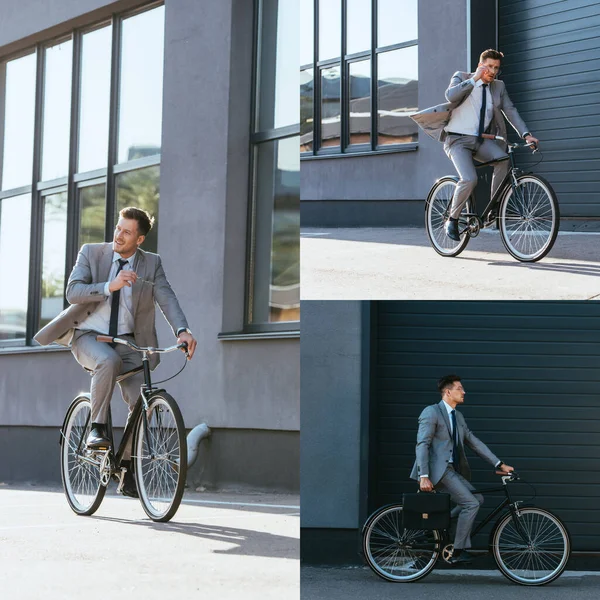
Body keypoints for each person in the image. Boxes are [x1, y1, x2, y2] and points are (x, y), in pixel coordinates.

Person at [35, 206, 197, 497]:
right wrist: (111, 285)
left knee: (141, 400)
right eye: (118, 229)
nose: (119, 235)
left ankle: (125, 466)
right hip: (89, 335)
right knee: (107, 361)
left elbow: (167, 298)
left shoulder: (152, 264)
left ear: (140, 239)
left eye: (127, 232)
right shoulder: (92, 253)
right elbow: (73, 292)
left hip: (128, 341)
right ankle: (97, 427)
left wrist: (182, 330)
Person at [411, 49, 539, 241]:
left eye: (496, 68)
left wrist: (526, 134)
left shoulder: (498, 86)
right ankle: (452, 220)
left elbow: (511, 111)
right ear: (481, 65)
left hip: (479, 141)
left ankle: (494, 208)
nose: (493, 71)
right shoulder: (461, 77)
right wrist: (474, 80)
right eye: (489, 66)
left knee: (503, 159)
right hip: (456, 140)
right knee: (470, 179)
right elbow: (451, 96)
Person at [410, 374, 514, 565]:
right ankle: (459, 550)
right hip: (436, 472)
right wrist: (423, 475)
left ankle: (441, 524)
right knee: (471, 504)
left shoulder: (457, 417)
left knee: (478, 499)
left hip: (450, 470)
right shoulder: (431, 412)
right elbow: (422, 444)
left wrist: (498, 463)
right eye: (459, 388)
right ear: (448, 392)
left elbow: (474, 443)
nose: (464, 392)